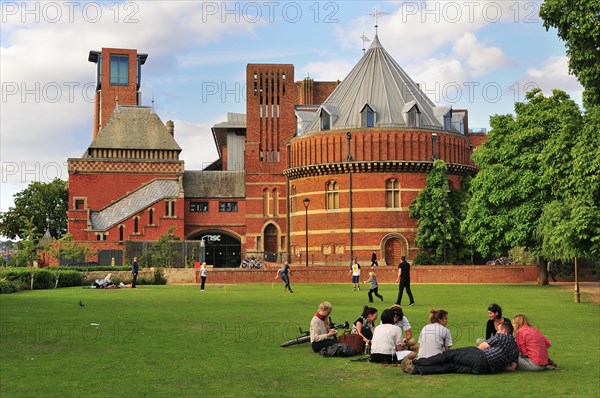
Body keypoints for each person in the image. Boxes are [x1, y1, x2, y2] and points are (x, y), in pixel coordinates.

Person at [402, 321, 518, 375]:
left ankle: (415, 363)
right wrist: (497, 365)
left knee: (448, 355)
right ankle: (416, 370)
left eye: (498, 330)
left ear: (504, 331)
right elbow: (512, 368)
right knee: (450, 367)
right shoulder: (515, 348)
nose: (497, 331)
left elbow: (482, 346)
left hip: (480, 357)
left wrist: (472, 353)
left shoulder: (502, 337)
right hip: (486, 370)